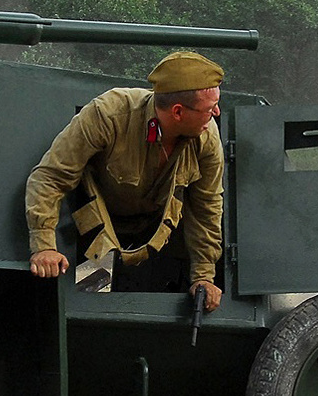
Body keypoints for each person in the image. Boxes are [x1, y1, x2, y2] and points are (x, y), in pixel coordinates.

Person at [25, 51, 226, 311]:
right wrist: (44, 246)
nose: (217, 113)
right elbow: (51, 176)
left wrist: (203, 276)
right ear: (177, 111)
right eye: (210, 108)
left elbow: (206, 208)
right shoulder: (108, 115)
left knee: (149, 310)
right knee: (90, 311)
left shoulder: (206, 136)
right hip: (96, 236)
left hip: (159, 236)